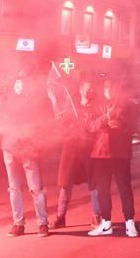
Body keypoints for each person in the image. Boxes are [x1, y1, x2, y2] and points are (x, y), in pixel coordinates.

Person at [86, 78, 139, 238]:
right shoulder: (97, 105)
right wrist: (104, 119)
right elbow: (90, 126)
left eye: (112, 86)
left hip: (120, 153)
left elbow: (136, 124)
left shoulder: (128, 105)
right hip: (101, 153)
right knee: (103, 190)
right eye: (106, 86)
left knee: (125, 189)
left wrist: (121, 123)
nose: (109, 89)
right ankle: (106, 222)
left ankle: (130, 222)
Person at [0, 73, 50, 237]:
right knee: (14, 188)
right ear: (13, 85)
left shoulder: (34, 103)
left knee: (35, 188)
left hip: (28, 149)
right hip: (10, 148)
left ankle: (42, 224)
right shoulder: (6, 101)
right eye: (17, 82)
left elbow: (41, 125)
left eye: (23, 82)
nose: (20, 85)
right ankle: (18, 224)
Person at [51, 79, 100, 229]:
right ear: (80, 89)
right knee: (66, 184)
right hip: (72, 148)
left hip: (89, 148)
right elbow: (62, 124)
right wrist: (55, 104)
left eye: (90, 89)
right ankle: (61, 216)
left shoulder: (96, 107)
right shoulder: (72, 106)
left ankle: (96, 215)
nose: (88, 91)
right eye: (86, 88)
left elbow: (96, 126)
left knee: (94, 183)